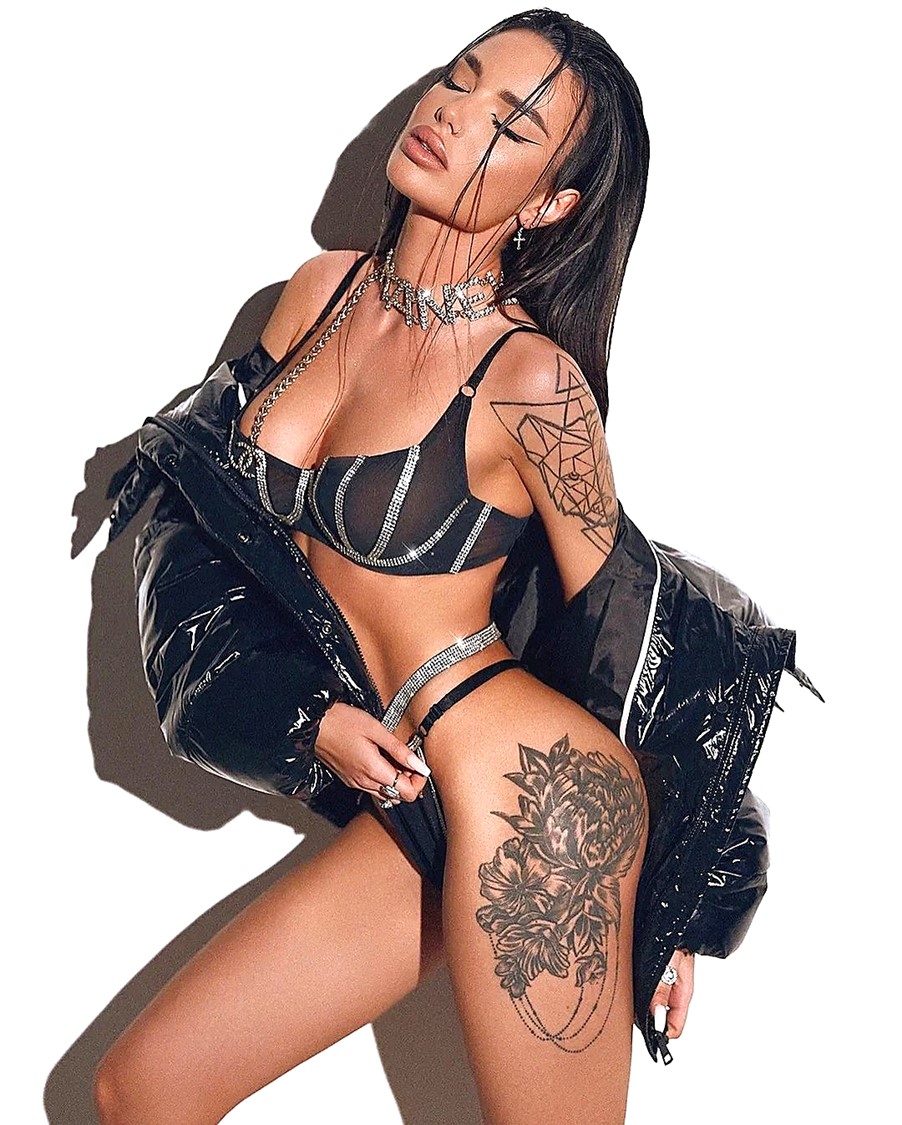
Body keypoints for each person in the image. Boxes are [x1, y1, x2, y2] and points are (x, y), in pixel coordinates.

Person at [95, 9, 820, 1124]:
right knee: (144, 1088)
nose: (453, 112)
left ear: (548, 204)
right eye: (459, 77)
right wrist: (301, 718)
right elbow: (210, 528)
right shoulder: (316, 294)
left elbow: (634, 627)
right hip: (411, 799)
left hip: (539, 799)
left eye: (510, 122)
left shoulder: (531, 382)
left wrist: (680, 892)